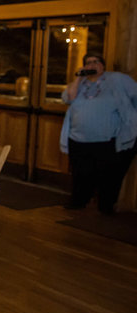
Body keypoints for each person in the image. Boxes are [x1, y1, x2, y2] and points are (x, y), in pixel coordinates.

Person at [60, 53, 137, 214]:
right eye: (88, 63)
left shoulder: (116, 80)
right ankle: (79, 201)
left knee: (108, 175)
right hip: (78, 138)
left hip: (106, 139)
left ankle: (106, 206)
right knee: (80, 173)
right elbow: (68, 98)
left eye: (96, 62)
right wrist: (78, 78)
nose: (92, 65)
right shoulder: (81, 84)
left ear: (103, 65)